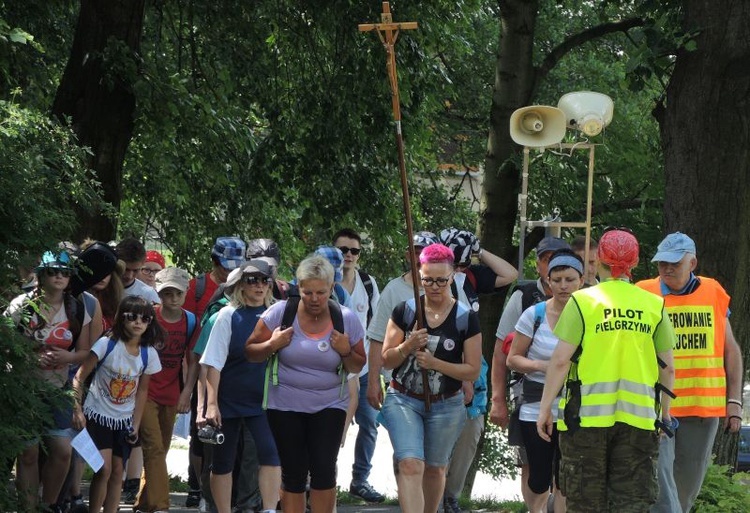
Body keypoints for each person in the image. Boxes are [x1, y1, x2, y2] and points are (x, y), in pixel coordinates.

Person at [537, 228, 677, 512]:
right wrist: (665, 414)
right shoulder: (654, 305)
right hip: (638, 422)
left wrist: (544, 409)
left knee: (585, 503)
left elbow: (561, 360)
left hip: (585, 421)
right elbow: (668, 367)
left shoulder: (582, 302)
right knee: (631, 504)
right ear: (635, 264)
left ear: (598, 260)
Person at [245, 254, 366, 513]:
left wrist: (345, 351)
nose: (314, 299)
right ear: (298, 288)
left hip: (330, 403)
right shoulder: (281, 312)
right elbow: (251, 352)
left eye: (321, 292)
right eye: (307, 291)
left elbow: (357, 365)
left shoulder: (345, 319)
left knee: (323, 469)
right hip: (285, 404)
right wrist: (272, 344)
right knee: (293, 472)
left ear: (332, 288)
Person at [637, 232, 744, 513]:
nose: (667, 268)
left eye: (674, 262)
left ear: (692, 262)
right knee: (659, 483)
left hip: (701, 409)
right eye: (662, 263)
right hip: (657, 405)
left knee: (686, 490)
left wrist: (734, 401)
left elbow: (730, 349)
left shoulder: (713, 292)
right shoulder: (642, 292)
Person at [380, 244, 482, 513]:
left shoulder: (466, 318)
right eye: (427, 280)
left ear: (452, 278)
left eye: (440, 280)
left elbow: (472, 370)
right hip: (403, 399)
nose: (434, 286)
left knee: (436, 469)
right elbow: (387, 359)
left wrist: (436, 363)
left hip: (447, 403)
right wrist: (407, 346)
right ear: (419, 276)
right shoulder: (405, 311)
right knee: (410, 463)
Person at [5, 249, 94, 513]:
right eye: (53, 272)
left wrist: (69, 356)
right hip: (25, 389)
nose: (59, 277)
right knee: (28, 453)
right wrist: (28, 359)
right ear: (41, 275)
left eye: (64, 273)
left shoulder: (76, 307)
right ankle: (28, 508)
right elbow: (5, 343)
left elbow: (86, 351)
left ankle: (49, 506)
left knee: (63, 451)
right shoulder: (21, 304)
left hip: (58, 389)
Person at [489, 236, 569, 506]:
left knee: (565, 472)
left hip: (572, 402)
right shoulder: (524, 299)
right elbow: (502, 354)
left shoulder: (587, 304)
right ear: (539, 265)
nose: (554, 268)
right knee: (533, 468)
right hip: (530, 396)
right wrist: (497, 399)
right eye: (548, 259)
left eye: (559, 259)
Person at [201, 260, 281, 513]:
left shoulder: (278, 313)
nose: (259, 285)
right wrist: (210, 405)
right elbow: (212, 364)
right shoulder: (227, 315)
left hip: (265, 400)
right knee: (223, 461)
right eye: (252, 280)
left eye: (264, 280)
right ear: (241, 285)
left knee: (271, 454)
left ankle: (269, 509)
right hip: (229, 399)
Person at [507, 249, 584, 513]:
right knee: (539, 477)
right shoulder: (534, 315)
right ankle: (535, 509)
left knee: (565, 476)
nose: (564, 286)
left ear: (581, 281)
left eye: (570, 279)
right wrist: (546, 367)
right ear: (548, 282)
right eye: (558, 279)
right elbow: (512, 359)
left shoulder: (590, 315)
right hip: (535, 404)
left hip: (575, 407)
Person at [71, 296, 163, 513]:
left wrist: (136, 425)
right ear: (122, 318)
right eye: (132, 317)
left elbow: (142, 390)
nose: (138, 322)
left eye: (145, 318)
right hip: (97, 413)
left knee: (118, 471)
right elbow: (79, 378)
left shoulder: (148, 354)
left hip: (124, 419)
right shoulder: (107, 344)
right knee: (103, 469)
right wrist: (77, 409)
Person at [183, 236, 246, 508]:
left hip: (230, 375)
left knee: (229, 444)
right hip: (198, 368)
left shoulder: (246, 287)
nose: (229, 271)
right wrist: (187, 387)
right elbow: (186, 336)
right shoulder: (196, 288)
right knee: (200, 440)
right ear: (213, 261)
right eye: (224, 265)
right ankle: (198, 486)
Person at [134, 267, 199, 513]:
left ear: (185, 293)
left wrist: (187, 393)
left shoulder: (191, 321)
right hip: (146, 391)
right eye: (166, 293)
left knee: (160, 448)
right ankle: (161, 506)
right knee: (154, 446)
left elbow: (193, 361)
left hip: (172, 393)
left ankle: (144, 503)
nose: (172, 298)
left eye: (177, 293)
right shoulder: (148, 317)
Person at [331, 228, 384, 503]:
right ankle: (323, 476)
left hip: (362, 368)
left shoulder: (368, 284)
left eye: (354, 251)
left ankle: (360, 479)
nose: (349, 255)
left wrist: (377, 373)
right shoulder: (323, 282)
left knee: (369, 424)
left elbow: (377, 330)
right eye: (343, 250)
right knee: (329, 425)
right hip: (330, 369)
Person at [365, 231, 439, 414]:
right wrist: (373, 382)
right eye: (415, 252)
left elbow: (466, 337)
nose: (420, 258)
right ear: (408, 255)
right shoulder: (393, 290)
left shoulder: (451, 288)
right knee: (408, 444)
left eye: (426, 253)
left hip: (442, 387)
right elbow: (377, 338)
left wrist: (468, 383)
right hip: (401, 387)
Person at [116, 238, 161, 305]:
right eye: (126, 269)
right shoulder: (102, 286)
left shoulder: (148, 294)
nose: (129, 276)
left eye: (135, 270)